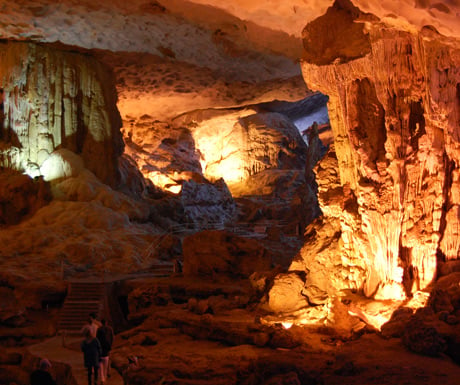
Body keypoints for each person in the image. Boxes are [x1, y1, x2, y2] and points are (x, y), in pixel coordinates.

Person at [96, 319, 114, 384]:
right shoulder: (110, 329)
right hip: (107, 348)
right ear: (106, 322)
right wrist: (110, 345)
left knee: (100, 364)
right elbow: (112, 338)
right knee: (106, 364)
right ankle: (104, 377)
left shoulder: (99, 329)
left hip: (101, 349)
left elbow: (97, 339)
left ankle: (102, 378)